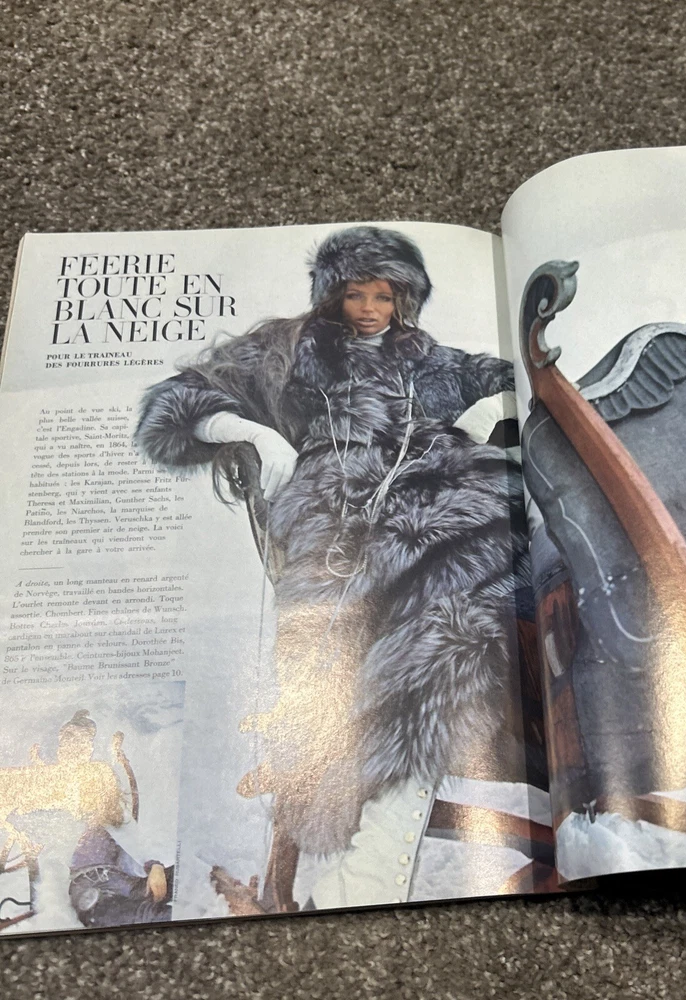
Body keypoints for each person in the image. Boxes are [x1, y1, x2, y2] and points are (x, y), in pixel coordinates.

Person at [134, 226, 533, 910]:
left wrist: (494, 406)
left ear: (404, 298)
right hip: (338, 500)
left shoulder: (429, 358)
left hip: (447, 486)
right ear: (332, 295)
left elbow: (522, 378)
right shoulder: (290, 350)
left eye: (385, 296)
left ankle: (478, 732)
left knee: (491, 579)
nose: (371, 309)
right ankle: (371, 817)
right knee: (385, 613)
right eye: (356, 295)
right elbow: (170, 408)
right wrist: (251, 432)